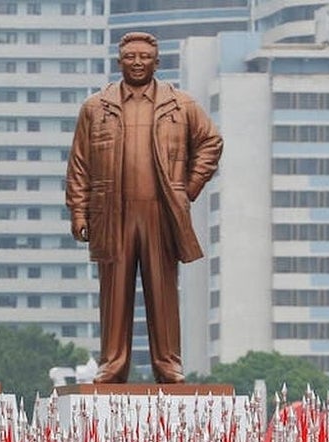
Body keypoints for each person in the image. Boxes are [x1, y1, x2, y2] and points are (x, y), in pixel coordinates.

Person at [66, 31, 222, 384]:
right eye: (130, 57)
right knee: (114, 290)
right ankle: (113, 363)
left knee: (162, 289)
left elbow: (211, 142)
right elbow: (79, 164)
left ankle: (168, 363)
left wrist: (188, 188)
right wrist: (79, 211)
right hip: (111, 211)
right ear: (119, 61)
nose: (137, 62)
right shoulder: (96, 107)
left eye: (144, 57)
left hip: (161, 210)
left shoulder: (180, 105)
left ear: (157, 61)